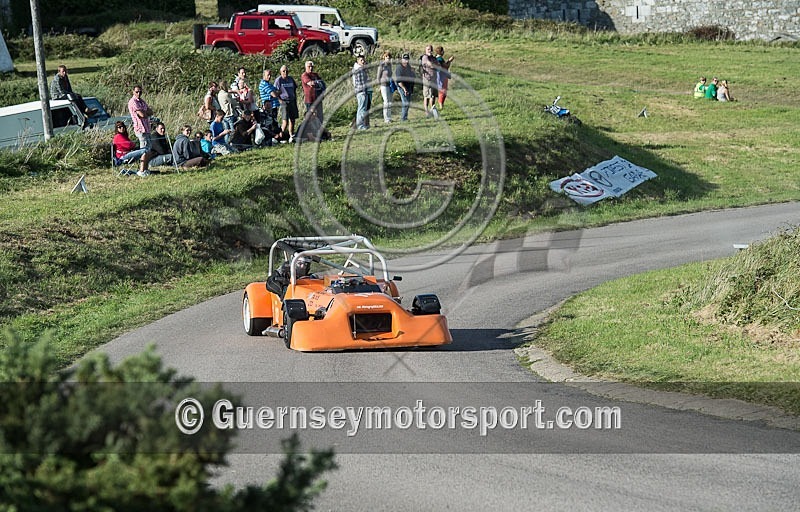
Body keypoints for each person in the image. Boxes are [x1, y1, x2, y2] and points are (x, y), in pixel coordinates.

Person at [274, 65, 299, 142]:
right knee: (285, 120)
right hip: (284, 101)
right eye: (283, 71)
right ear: (280, 72)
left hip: (292, 100)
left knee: (292, 119)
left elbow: (294, 88)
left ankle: (291, 134)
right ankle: (280, 136)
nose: (285, 73)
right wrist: (279, 100)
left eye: (286, 71)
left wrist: (295, 97)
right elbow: (275, 91)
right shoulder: (278, 80)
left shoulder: (291, 79)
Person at [127, 85, 154, 150]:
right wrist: (145, 112)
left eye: (140, 92)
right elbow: (142, 115)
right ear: (133, 92)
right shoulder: (133, 102)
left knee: (149, 148)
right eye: (137, 92)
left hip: (147, 127)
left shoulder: (142, 101)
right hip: (140, 128)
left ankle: (147, 160)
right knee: (144, 149)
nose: (138, 93)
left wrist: (144, 112)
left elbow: (151, 112)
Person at [259, 68, 281, 136]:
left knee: (274, 122)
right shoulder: (263, 84)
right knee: (270, 122)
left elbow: (279, 91)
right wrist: (275, 93)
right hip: (269, 106)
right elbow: (274, 94)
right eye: (268, 75)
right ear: (264, 75)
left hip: (274, 105)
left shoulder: (269, 84)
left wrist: (275, 93)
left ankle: (276, 136)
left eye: (270, 75)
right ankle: (272, 137)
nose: (269, 77)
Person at [395, 53, 415, 121]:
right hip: (401, 86)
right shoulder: (399, 68)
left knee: (408, 102)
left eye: (407, 59)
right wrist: (404, 89)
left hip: (408, 85)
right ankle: (403, 118)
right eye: (404, 59)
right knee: (405, 102)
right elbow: (399, 81)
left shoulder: (408, 67)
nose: (406, 61)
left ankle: (405, 117)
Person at [352, 54, 369, 130]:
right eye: (361, 60)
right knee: (361, 109)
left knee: (361, 108)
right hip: (361, 91)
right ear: (357, 61)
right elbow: (360, 82)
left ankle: (360, 124)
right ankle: (360, 125)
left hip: (361, 90)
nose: (363, 61)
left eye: (363, 60)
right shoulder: (358, 70)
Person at [420, 44, 438, 118]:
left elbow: (438, 65)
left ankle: (432, 110)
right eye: (428, 49)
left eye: (430, 49)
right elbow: (430, 64)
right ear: (425, 50)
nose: (430, 51)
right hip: (427, 79)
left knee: (433, 96)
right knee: (427, 95)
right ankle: (426, 112)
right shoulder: (425, 57)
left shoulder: (433, 58)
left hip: (434, 79)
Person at [434, 46, 454, 110]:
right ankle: (441, 105)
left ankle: (441, 105)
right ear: (441, 51)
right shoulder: (440, 59)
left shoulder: (435, 58)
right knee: (443, 91)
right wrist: (449, 61)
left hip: (438, 76)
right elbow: (446, 66)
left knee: (441, 90)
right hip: (442, 76)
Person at [377, 51, 393, 123]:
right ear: (384, 57)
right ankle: (386, 118)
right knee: (386, 101)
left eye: (389, 57)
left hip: (389, 85)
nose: (388, 58)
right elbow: (378, 77)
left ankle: (389, 117)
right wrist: (379, 85)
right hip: (383, 85)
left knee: (390, 102)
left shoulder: (390, 65)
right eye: (386, 57)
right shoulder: (381, 66)